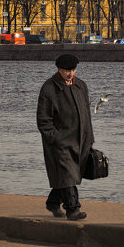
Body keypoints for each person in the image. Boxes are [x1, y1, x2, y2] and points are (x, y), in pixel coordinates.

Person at [36, 53, 94, 220]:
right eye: (67, 70)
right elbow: (43, 119)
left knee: (70, 175)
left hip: (81, 140)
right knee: (68, 175)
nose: (71, 73)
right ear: (59, 69)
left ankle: (53, 202)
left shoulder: (81, 85)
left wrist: (89, 138)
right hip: (60, 142)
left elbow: (87, 114)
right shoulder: (48, 88)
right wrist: (55, 138)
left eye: (73, 70)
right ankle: (73, 209)